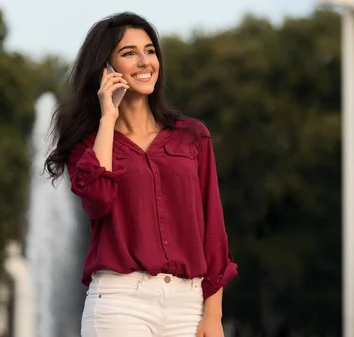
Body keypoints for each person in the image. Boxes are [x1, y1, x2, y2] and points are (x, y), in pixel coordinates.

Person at [44, 12, 237, 337]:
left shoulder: (192, 136)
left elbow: (213, 228)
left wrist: (213, 314)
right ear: (105, 68)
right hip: (120, 302)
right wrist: (108, 117)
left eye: (149, 50)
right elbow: (98, 201)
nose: (145, 61)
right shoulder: (88, 144)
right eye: (129, 53)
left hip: (187, 307)